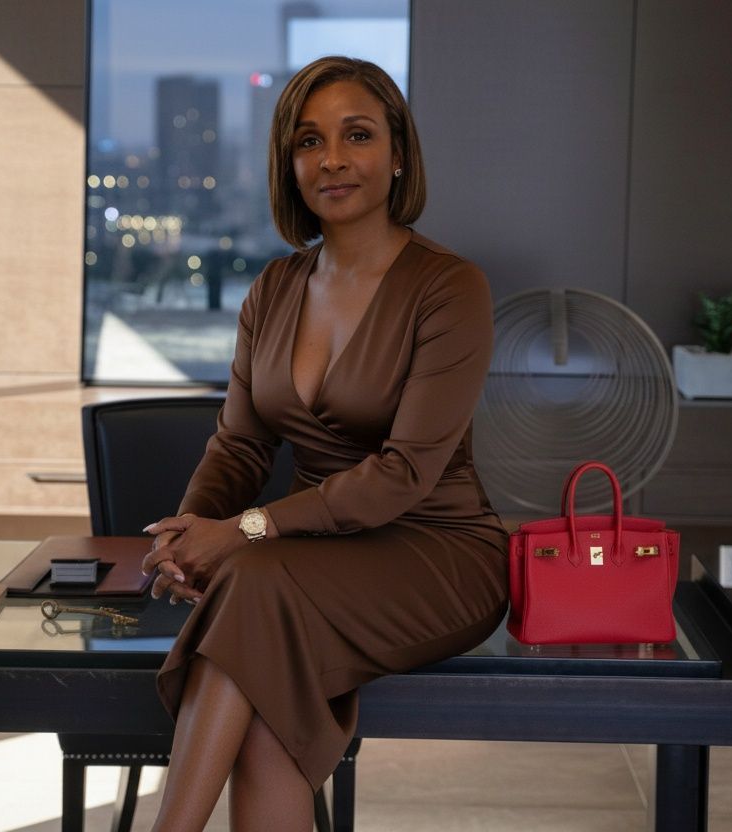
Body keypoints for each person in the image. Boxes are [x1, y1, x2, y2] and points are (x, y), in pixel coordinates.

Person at [139, 56, 511, 832]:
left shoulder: (452, 287)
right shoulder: (273, 290)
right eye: (309, 141)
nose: (332, 159)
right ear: (290, 165)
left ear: (398, 153)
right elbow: (240, 445)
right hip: (307, 561)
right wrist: (187, 532)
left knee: (254, 586)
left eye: (357, 135)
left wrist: (243, 531)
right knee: (268, 697)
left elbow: (403, 474)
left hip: (437, 552)